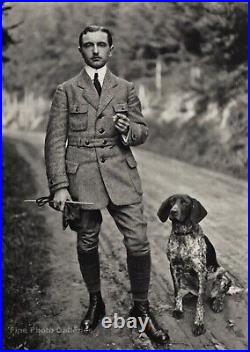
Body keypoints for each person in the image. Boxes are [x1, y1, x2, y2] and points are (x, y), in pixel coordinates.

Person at [44, 25, 169, 344]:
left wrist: (129, 131)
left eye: (102, 44)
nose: (96, 50)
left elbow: (142, 131)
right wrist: (59, 185)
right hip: (81, 178)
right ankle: (96, 302)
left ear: (111, 49)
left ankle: (141, 307)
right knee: (87, 241)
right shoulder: (67, 90)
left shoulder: (125, 87)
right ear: (80, 50)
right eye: (89, 45)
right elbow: (56, 141)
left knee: (138, 241)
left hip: (120, 174)